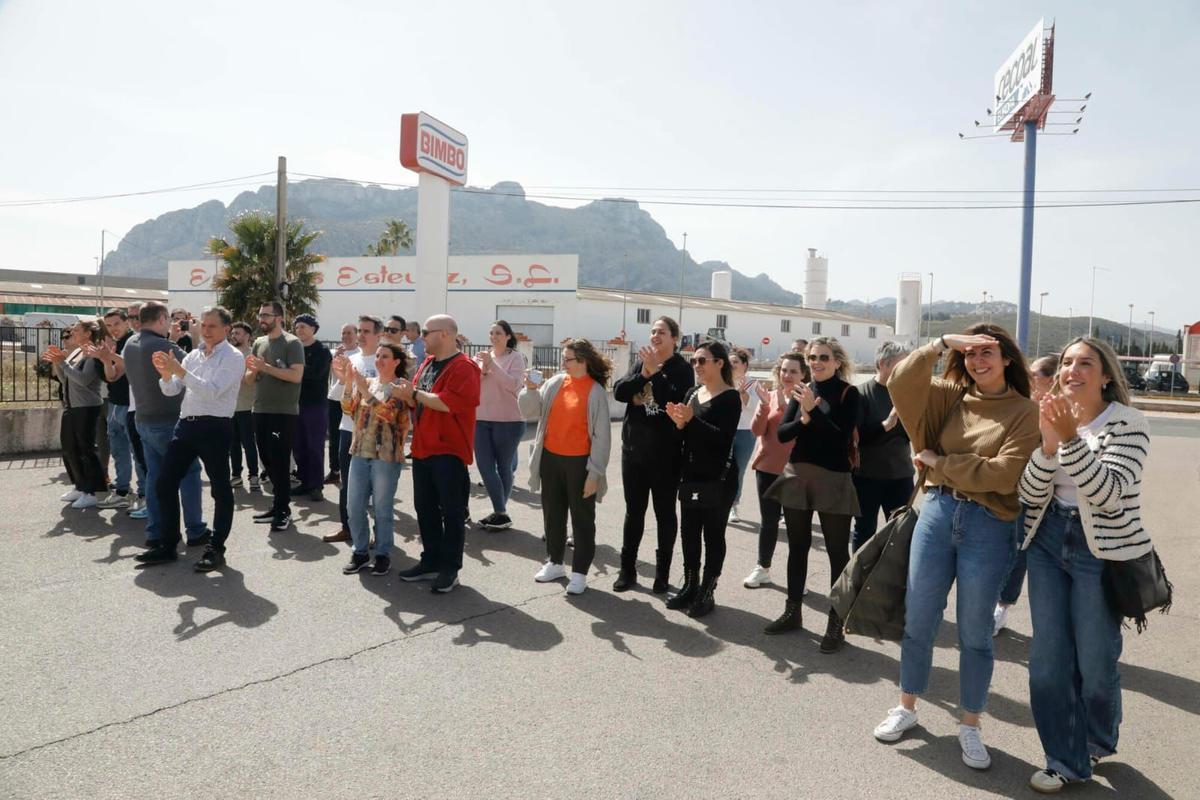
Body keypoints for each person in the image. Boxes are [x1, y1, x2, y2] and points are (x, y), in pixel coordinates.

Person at [872, 324, 1039, 772]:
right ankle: (906, 706)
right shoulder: (950, 394)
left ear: (1007, 359)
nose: (978, 360)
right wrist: (942, 344)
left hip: (990, 524)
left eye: (989, 352)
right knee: (919, 619)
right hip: (939, 513)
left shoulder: (1026, 411)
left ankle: (970, 724)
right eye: (971, 353)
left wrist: (941, 464)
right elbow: (900, 378)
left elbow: (1005, 474)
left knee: (974, 633)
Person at [1017, 338, 1149, 793]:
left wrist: (1069, 441)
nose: (1073, 369)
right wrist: (1048, 447)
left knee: (1095, 660)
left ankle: (1098, 734)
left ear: (1106, 375)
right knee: (1048, 659)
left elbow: (1108, 495)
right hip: (1049, 541)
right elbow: (1030, 495)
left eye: (1085, 363)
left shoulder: (1129, 423)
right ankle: (1065, 759)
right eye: (1068, 362)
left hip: (1102, 550)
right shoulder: (1051, 417)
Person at [762, 338, 861, 651]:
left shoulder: (849, 393)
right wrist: (804, 415)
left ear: (836, 361)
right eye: (813, 357)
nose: (817, 362)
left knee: (836, 552)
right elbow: (782, 433)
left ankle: (836, 623)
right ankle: (793, 612)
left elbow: (838, 437)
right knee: (798, 547)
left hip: (833, 478)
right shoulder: (802, 390)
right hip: (798, 477)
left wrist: (811, 413)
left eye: (823, 357)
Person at [135, 307, 245, 570]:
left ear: (226, 329)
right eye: (203, 325)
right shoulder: (194, 356)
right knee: (164, 482)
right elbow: (172, 390)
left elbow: (212, 392)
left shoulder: (233, 357)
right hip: (186, 425)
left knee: (220, 488)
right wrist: (165, 373)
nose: (205, 330)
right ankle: (168, 543)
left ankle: (216, 547)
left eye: (212, 326)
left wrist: (179, 371)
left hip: (215, 427)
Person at [393, 315, 481, 593]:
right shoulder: (428, 363)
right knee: (425, 508)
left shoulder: (465, 367)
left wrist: (414, 393)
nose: (420, 337)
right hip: (422, 448)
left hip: (449, 450)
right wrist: (405, 394)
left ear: (444, 334)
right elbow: (418, 398)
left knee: (452, 513)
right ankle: (430, 561)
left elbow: (449, 403)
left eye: (426, 333)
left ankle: (450, 568)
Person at [611, 316, 693, 593]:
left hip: (665, 456)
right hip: (633, 453)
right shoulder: (642, 363)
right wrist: (643, 374)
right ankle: (627, 570)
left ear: (674, 339)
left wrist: (652, 375)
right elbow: (620, 392)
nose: (656, 336)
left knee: (665, 515)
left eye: (662, 332)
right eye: (653, 331)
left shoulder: (682, 369)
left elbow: (673, 399)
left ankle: (662, 575)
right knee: (634, 513)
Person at [525, 339, 612, 595]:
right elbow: (531, 411)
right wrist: (530, 390)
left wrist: (595, 473)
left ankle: (580, 573)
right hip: (551, 459)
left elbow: (602, 437)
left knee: (582, 519)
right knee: (553, 514)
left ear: (583, 361)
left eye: (568, 358)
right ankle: (554, 562)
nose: (563, 363)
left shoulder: (595, 392)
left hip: (580, 464)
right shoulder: (555, 383)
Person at [120, 303, 209, 547]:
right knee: (189, 473)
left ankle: (156, 531)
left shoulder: (131, 343)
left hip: (143, 419)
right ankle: (195, 529)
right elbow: (195, 367)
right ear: (160, 318)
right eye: (168, 319)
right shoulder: (163, 346)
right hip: (168, 421)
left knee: (155, 477)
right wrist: (197, 336)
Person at [664, 340, 740, 617]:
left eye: (702, 360)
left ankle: (707, 590)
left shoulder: (730, 398)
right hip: (691, 475)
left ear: (720, 363)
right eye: (694, 361)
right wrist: (680, 424)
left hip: (718, 478)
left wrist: (691, 421)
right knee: (689, 533)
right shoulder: (692, 392)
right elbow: (679, 437)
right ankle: (690, 585)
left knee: (713, 534)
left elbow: (722, 439)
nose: (696, 366)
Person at [994, 353, 1058, 635]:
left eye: (1035, 375)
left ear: (1051, 380)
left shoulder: (1061, 411)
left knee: (1039, 557)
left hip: (1053, 498)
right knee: (1014, 551)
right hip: (1021, 491)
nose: (1030, 379)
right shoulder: (1024, 406)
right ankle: (1000, 607)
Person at [334, 342, 411, 576]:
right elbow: (348, 408)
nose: (378, 360)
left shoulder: (401, 387)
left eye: (384, 356)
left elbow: (389, 414)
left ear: (397, 361)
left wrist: (363, 389)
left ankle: (383, 553)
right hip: (359, 452)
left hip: (386, 457)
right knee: (354, 506)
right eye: (377, 355)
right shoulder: (366, 383)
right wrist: (348, 382)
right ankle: (360, 552)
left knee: (382, 508)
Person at [742, 351, 808, 588]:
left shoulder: (807, 400)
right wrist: (763, 405)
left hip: (796, 471)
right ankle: (763, 568)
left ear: (803, 374)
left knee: (796, 526)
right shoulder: (769, 396)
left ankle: (797, 577)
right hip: (767, 468)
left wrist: (782, 409)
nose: (787, 375)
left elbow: (793, 434)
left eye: (793, 371)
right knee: (769, 521)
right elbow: (757, 431)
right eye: (784, 370)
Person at [244, 301, 305, 532]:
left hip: (283, 412)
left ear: (279, 318)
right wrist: (253, 371)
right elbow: (249, 378)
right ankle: (276, 506)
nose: (262, 319)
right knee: (267, 461)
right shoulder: (258, 343)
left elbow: (296, 376)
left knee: (280, 462)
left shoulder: (292, 343)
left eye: (266, 315)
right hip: (259, 409)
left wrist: (266, 368)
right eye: (260, 315)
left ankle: (283, 510)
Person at [851, 342, 915, 552]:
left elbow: (915, 435)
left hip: (900, 476)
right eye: (903, 364)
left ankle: (894, 582)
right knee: (864, 530)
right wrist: (886, 425)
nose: (908, 369)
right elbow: (857, 438)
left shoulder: (908, 394)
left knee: (900, 531)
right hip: (866, 477)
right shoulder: (861, 394)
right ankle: (858, 580)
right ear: (883, 363)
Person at [324, 316, 380, 543]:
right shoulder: (351, 359)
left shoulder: (384, 361)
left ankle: (379, 533)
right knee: (347, 484)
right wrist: (342, 379)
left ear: (379, 335)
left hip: (375, 432)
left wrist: (360, 383)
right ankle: (347, 527)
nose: (361, 335)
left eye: (367, 331)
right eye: (360, 331)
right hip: (348, 430)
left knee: (376, 486)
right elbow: (334, 396)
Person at [42, 320, 106, 509]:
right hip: (72, 406)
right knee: (69, 447)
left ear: (87, 334)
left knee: (85, 449)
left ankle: (92, 491)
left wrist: (63, 363)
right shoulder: (77, 352)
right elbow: (66, 380)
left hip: (86, 407)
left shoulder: (92, 353)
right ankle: (80, 486)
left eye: (76, 330)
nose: (72, 333)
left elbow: (83, 380)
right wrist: (58, 363)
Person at [473, 320, 528, 531]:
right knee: (485, 467)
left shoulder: (516, 358)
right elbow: (473, 383)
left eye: (498, 333)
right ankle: (501, 512)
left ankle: (499, 512)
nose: (494, 336)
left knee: (503, 466)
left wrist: (492, 366)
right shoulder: (482, 357)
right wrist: (481, 370)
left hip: (509, 420)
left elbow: (513, 385)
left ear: (507, 336)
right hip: (481, 418)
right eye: (491, 333)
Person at [95, 308, 137, 510]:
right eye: (109, 325)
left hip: (132, 406)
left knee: (138, 453)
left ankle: (143, 495)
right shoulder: (112, 343)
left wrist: (110, 358)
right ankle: (122, 491)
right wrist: (104, 359)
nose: (113, 329)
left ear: (126, 322)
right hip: (114, 403)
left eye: (116, 324)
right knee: (119, 451)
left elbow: (124, 370)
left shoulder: (133, 342)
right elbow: (110, 377)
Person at [291, 313, 331, 501]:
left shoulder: (322, 350)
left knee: (315, 446)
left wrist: (293, 368)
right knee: (298, 446)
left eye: (303, 327)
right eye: (297, 327)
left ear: (313, 329)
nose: (300, 330)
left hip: (315, 405)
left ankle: (316, 485)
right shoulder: (293, 348)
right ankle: (305, 482)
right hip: (294, 403)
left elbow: (316, 373)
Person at [728, 347, 760, 524]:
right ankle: (719, 502)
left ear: (745, 365)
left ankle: (733, 505)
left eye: (735, 362)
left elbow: (755, 408)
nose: (731, 365)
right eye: (729, 362)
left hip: (745, 432)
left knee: (738, 470)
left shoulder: (753, 384)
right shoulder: (722, 382)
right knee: (721, 468)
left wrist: (742, 393)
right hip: (724, 430)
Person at [123, 303, 149, 517]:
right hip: (133, 409)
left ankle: (153, 504)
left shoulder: (151, 342)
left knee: (150, 463)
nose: (133, 320)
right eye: (129, 316)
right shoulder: (131, 342)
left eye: (136, 316)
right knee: (141, 460)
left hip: (149, 412)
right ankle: (147, 500)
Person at [227, 322, 259, 492]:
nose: (234, 336)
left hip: (248, 406)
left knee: (249, 444)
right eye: (233, 333)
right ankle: (236, 475)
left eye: (238, 333)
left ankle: (254, 475)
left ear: (247, 335)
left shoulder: (253, 354)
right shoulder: (229, 354)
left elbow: (251, 379)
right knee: (233, 445)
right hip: (230, 407)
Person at [325, 322, 358, 485]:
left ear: (356, 335)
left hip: (351, 400)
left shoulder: (359, 354)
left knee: (349, 435)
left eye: (349, 333)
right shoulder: (334, 352)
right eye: (343, 333)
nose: (345, 336)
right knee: (334, 436)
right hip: (334, 398)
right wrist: (333, 356)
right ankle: (334, 469)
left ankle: (349, 469)